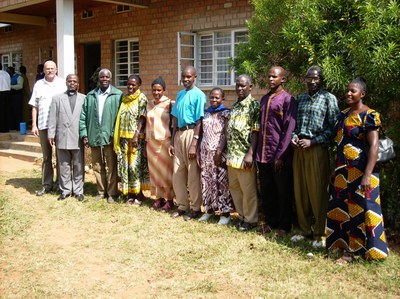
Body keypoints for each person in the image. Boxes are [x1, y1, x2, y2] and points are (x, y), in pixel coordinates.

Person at [326, 77, 388, 263]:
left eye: (353, 91)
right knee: (340, 207)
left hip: (361, 172)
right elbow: (339, 144)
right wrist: (334, 169)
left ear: (363, 94)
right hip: (342, 172)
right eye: (347, 90)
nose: (349, 93)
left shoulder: (369, 115)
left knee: (360, 212)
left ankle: (356, 252)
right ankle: (340, 246)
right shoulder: (343, 115)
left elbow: (374, 146)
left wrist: (367, 175)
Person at [290, 66, 340, 248]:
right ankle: (304, 230)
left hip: (316, 149)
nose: (312, 81)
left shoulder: (328, 98)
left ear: (321, 80)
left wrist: (314, 141)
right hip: (299, 149)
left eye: (316, 78)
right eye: (309, 78)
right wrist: (294, 137)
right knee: (300, 190)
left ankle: (320, 233)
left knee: (318, 192)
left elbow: (334, 127)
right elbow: (294, 124)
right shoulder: (301, 98)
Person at [256, 66, 297, 236]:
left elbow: (288, 129)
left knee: (283, 191)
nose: (271, 79)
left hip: (279, 156)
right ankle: (270, 222)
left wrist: (281, 155)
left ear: (283, 79)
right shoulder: (265, 99)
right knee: (267, 190)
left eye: (275, 76)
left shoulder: (288, 100)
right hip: (263, 154)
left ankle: (284, 225)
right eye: (269, 76)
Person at [168, 66, 206, 220]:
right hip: (179, 134)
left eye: (189, 77)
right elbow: (175, 118)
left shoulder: (199, 95)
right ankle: (182, 206)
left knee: (192, 174)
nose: (185, 79)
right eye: (183, 77)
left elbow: (199, 120)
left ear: (195, 77)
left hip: (192, 134)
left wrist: (194, 143)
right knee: (178, 173)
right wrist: (172, 140)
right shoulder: (180, 94)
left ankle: (196, 208)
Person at [79, 68, 122, 204]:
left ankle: (112, 193)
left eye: (107, 77)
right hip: (94, 135)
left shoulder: (117, 95)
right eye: (102, 77)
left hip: (110, 137)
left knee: (111, 165)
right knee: (97, 165)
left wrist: (114, 135)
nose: (104, 79)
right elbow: (83, 116)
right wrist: (84, 133)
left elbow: (120, 117)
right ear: (98, 79)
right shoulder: (90, 95)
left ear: (111, 79)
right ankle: (101, 191)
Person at [227, 75, 260, 231]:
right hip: (232, 155)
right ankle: (241, 216)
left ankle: (251, 219)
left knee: (248, 190)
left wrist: (250, 154)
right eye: (237, 86)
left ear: (250, 87)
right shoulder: (235, 105)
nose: (239, 88)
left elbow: (255, 131)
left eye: (243, 86)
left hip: (244, 154)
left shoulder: (253, 105)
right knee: (235, 187)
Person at [29, 60, 66, 196]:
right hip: (44, 125)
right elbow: (35, 106)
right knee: (46, 157)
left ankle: (62, 185)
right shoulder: (39, 84)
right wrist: (34, 125)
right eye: (47, 68)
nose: (50, 70)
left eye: (52, 68)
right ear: (43, 70)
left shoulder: (62, 84)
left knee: (62, 156)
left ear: (56, 70)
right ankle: (47, 185)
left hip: (60, 126)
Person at [198, 88, 234, 225]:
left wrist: (219, 151)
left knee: (221, 183)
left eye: (217, 98)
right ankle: (208, 210)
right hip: (205, 152)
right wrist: (198, 150)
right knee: (206, 182)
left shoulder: (226, 113)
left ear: (222, 99)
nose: (214, 100)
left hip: (219, 153)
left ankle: (225, 213)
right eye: (212, 97)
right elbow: (201, 132)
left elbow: (226, 134)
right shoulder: (205, 113)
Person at [48, 74, 85, 201]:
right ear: (66, 83)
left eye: (75, 81)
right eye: (70, 81)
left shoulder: (84, 99)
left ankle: (78, 190)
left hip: (77, 137)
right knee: (63, 165)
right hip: (62, 136)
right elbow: (52, 118)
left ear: (78, 83)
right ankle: (65, 190)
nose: (72, 83)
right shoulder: (57, 99)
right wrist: (51, 134)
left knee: (79, 165)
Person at [114, 74, 150, 205]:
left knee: (134, 166)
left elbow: (142, 117)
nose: (130, 86)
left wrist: (137, 134)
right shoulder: (124, 98)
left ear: (138, 85)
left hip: (135, 139)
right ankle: (130, 193)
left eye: (133, 84)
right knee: (125, 166)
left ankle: (139, 194)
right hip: (123, 138)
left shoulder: (142, 98)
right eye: (128, 84)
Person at [145, 77, 175, 211]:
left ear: (164, 90)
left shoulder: (169, 103)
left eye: (159, 90)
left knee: (166, 172)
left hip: (165, 142)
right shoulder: (149, 104)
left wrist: (173, 142)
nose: (156, 93)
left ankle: (169, 199)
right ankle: (158, 198)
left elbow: (173, 124)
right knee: (155, 172)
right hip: (151, 142)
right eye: (154, 90)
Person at [7, 66, 24, 130]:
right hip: (11, 96)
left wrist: (10, 86)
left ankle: (18, 127)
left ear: (12, 71)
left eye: (9, 71)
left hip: (17, 96)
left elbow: (20, 86)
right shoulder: (9, 77)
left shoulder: (19, 77)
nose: (8, 73)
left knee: (17, 112)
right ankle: (12, 126)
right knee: (12, 112)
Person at [0, 63, 11, 133]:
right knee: (6, 110)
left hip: (1, 93)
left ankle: (1, 128)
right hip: (7, 92)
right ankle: (6, 128)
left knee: (1, 111)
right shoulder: (6, 73)